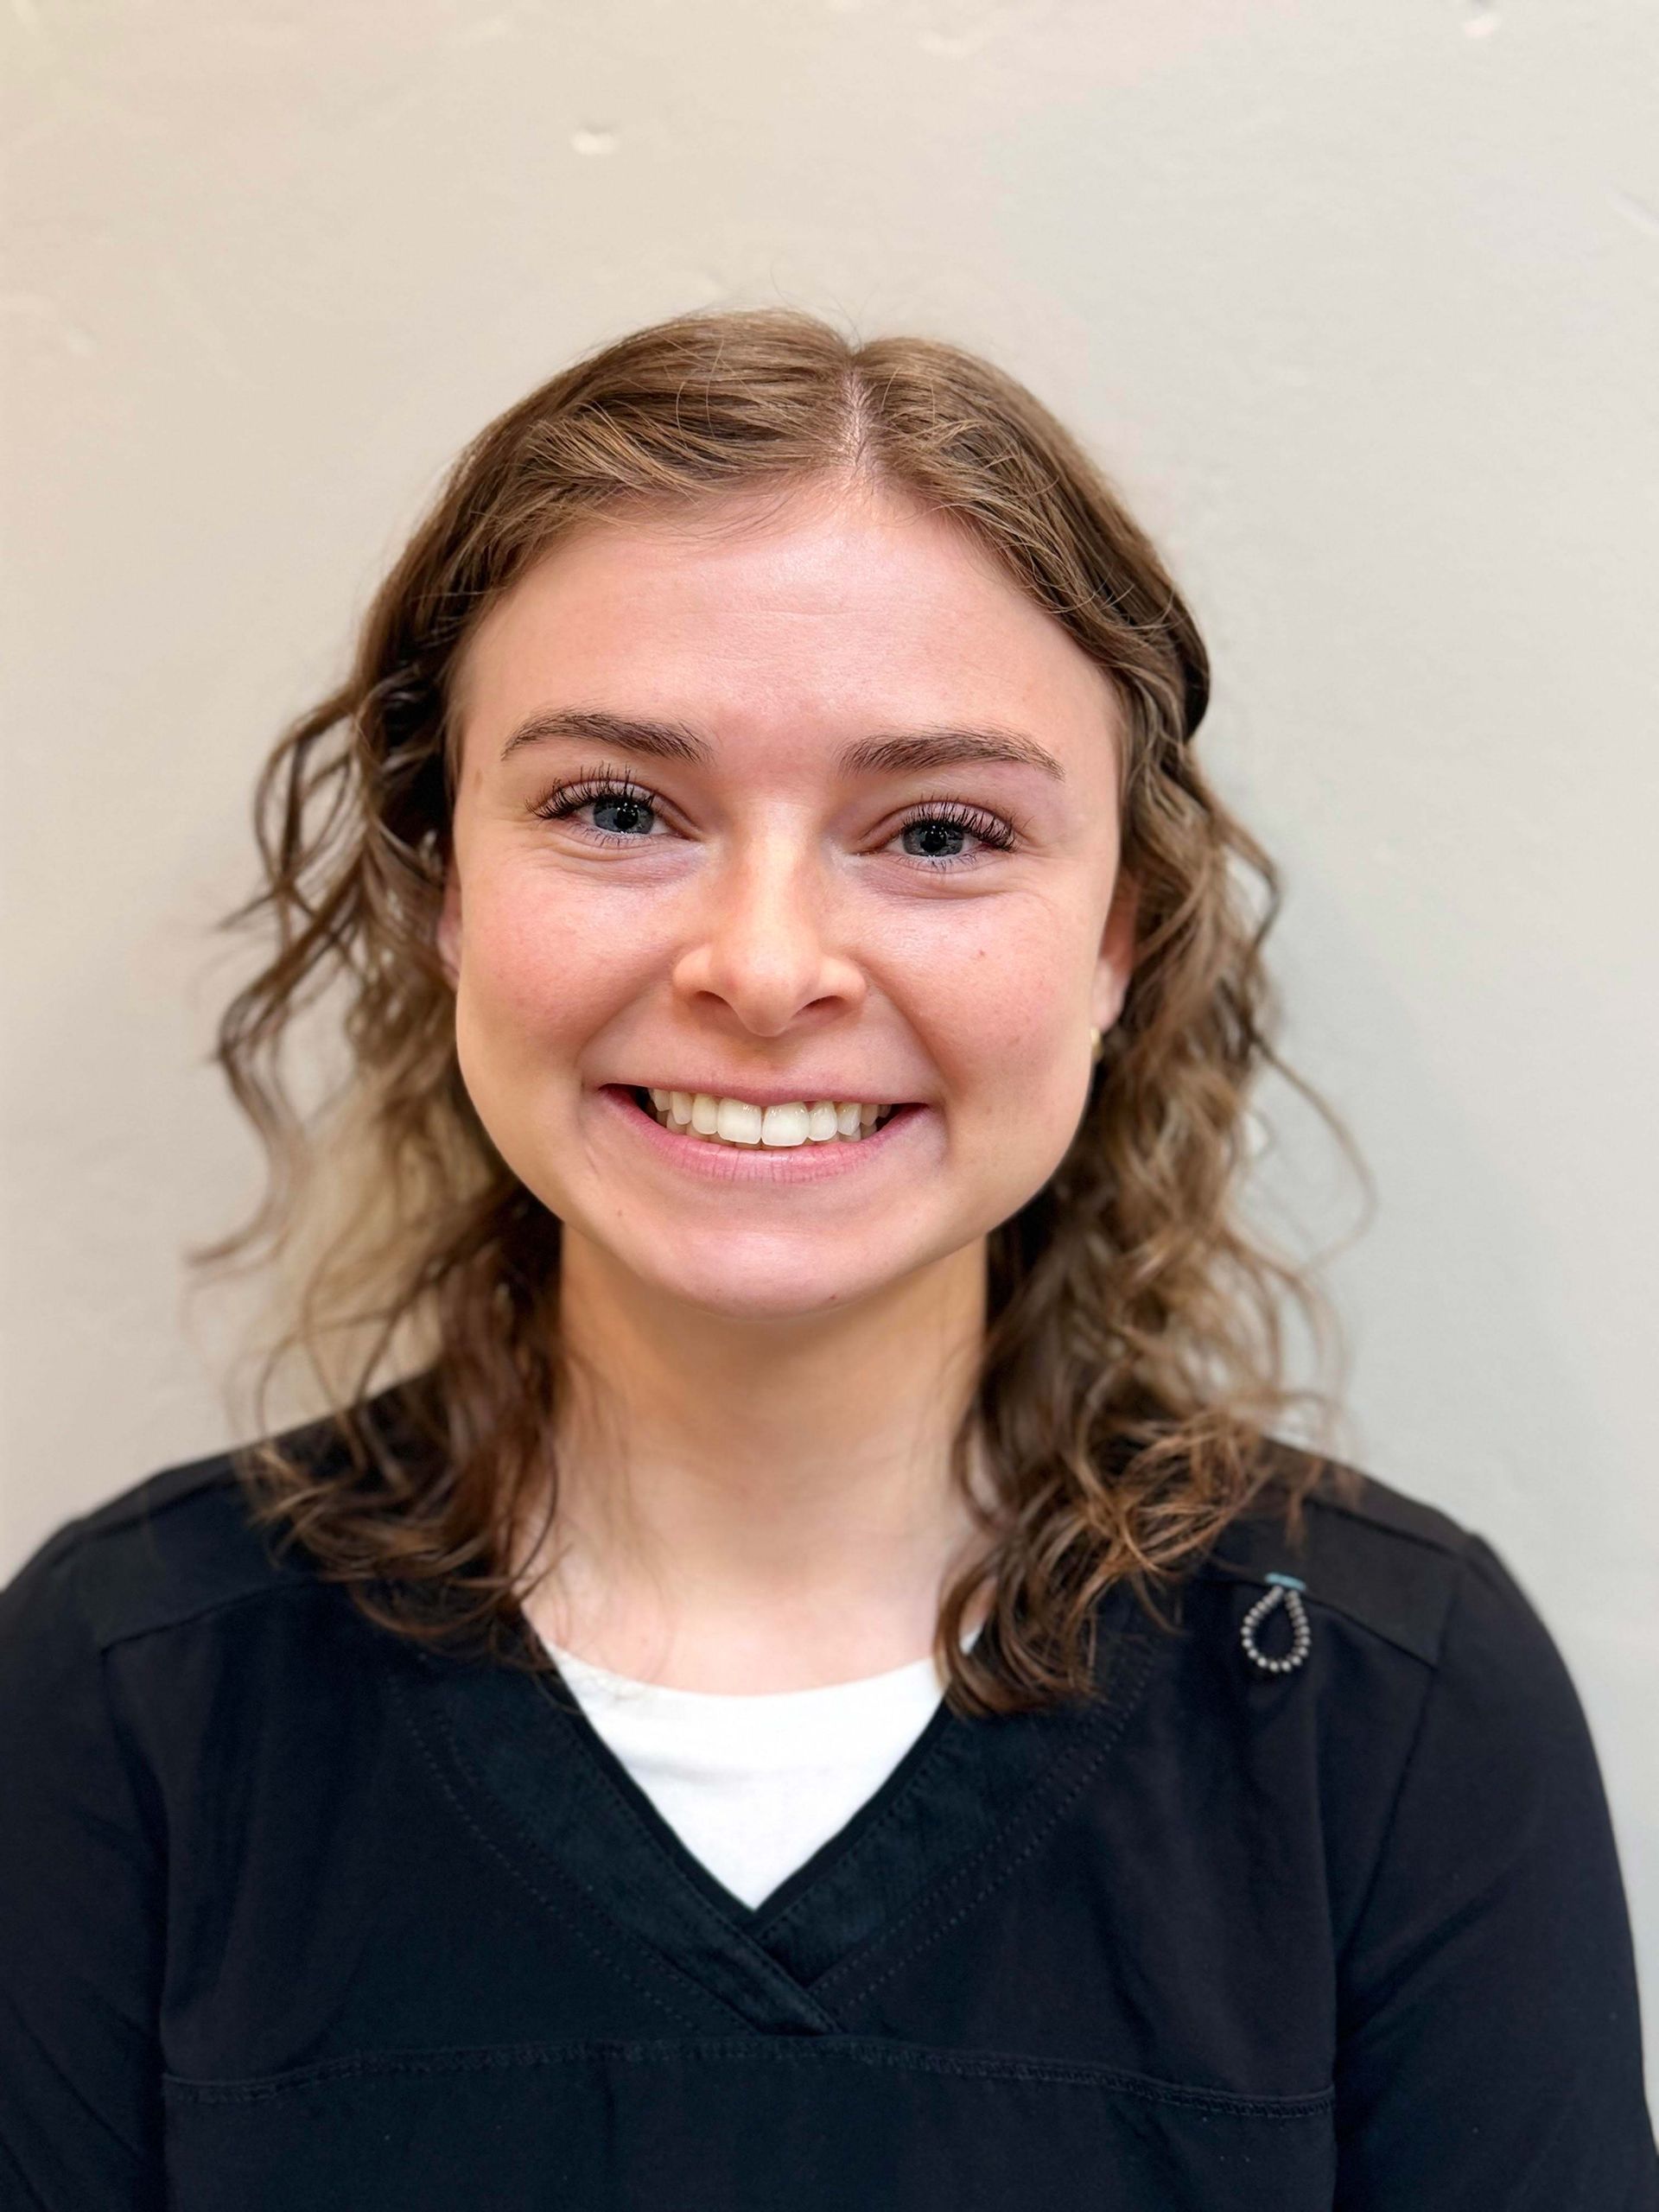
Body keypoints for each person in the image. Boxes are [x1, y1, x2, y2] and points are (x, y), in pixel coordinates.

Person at [1, 308, 1653, 2211]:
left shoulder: (1388, 1711)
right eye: (618, 806)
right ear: (442, 879)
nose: (767, 968)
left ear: (1119, 933)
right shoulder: (130, 1694)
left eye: (939, 830)